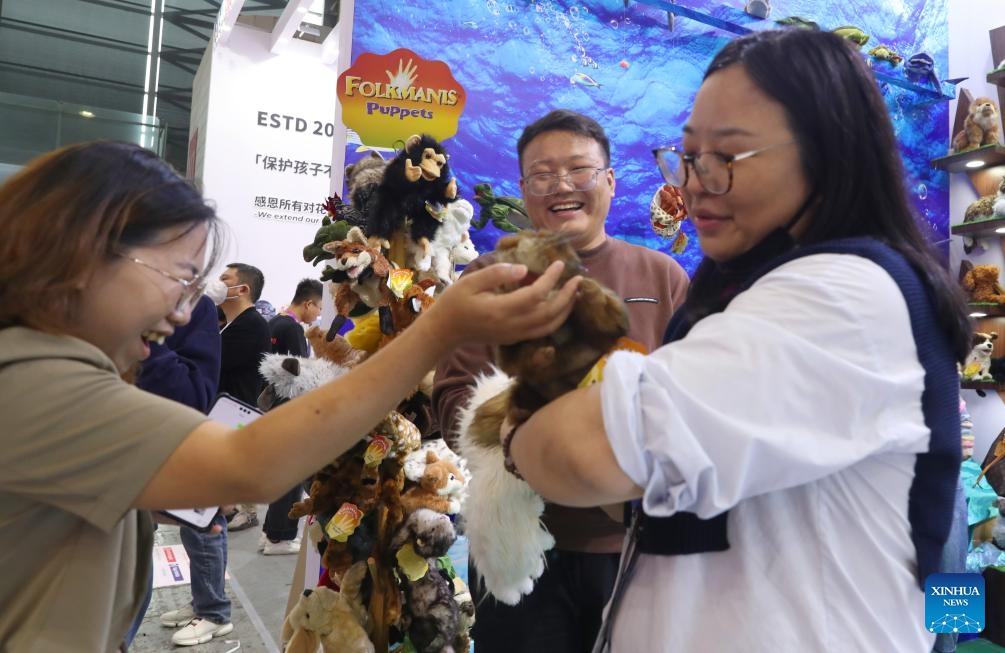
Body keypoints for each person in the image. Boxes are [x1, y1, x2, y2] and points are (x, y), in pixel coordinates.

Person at [0, 140, 580, 652]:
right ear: (81, 253)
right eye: (179, 277)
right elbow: (249, 466)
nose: (182, 311)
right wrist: (440, 327)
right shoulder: (34, 377)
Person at [504, 29, 971, 652]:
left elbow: (584, 452)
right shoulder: (737, 284)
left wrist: (511, 432)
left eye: (728, 155)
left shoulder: (839, 296)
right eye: (689, 155)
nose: (695, 182)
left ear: (826, 151)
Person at [432, 109, 689, 652]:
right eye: (543, 174)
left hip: (633, 549)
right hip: (520, 547)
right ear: (524, 190)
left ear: (611, 181)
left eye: (579, 169)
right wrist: (528, 428)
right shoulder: (487, 279)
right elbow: (454, 397)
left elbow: (690, 402)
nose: (563, 186)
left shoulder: (662, 276)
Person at [134, 294, 235, 647]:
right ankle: (205, 604)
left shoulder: (199, 309)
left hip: (192, 441)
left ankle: (213, 610)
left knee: (204, 526)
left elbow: (197, 393)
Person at [258, 277, 324, 555]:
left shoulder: (275, 322)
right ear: (308, 303)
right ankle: (279, 538)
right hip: (290, 409)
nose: (319, 314)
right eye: (319, 308)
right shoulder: (293, 330)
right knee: (291, 476)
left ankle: (271, 534)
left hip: (274, 409)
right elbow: (301, 376)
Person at [218, 262, 271, 532]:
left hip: (231, 416)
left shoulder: (251, 325)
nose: (217, 283)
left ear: (242, 289)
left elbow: (215, 363)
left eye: (223, 278)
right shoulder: (232, 324)